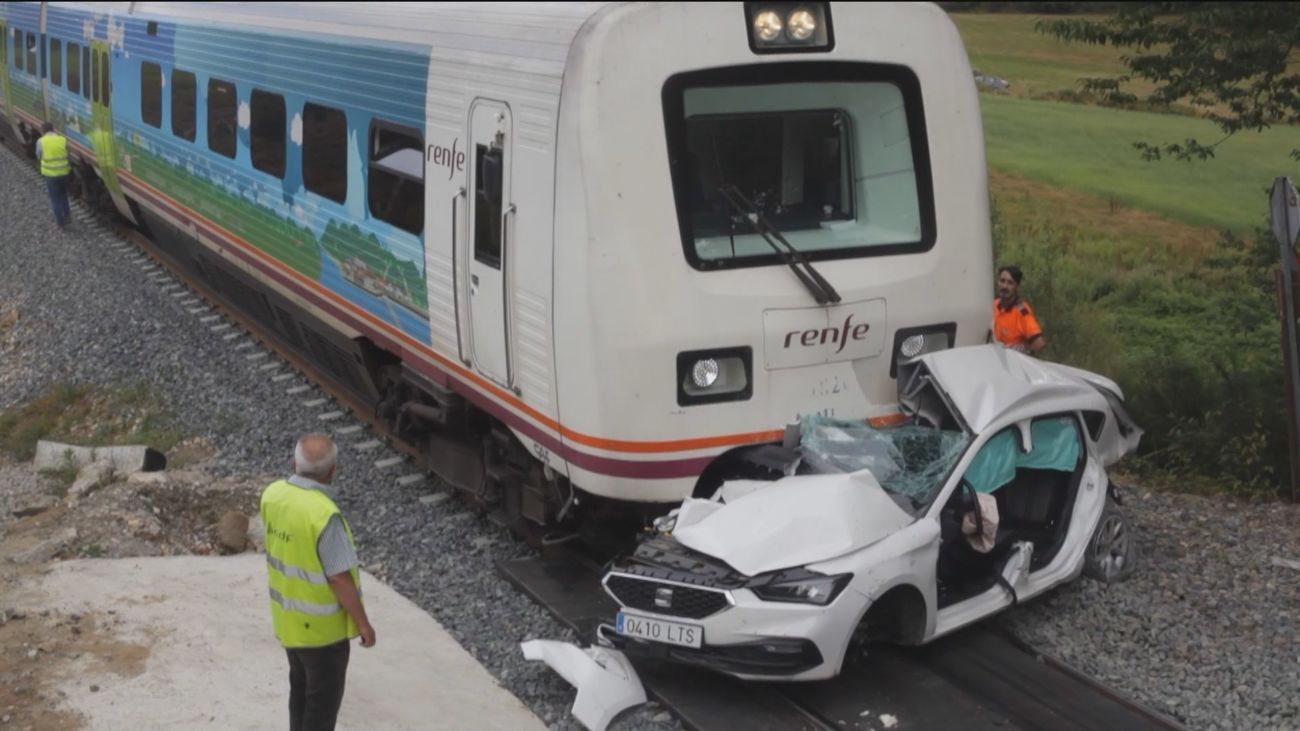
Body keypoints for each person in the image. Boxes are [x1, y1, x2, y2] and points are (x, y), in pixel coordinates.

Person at [260, 434, 375, 731]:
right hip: (323, 636)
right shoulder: (324, 515)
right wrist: (363, 624)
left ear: (292, 463)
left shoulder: (273, 495)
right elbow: (338, 577)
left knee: (299, 694)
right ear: (332, 471)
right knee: (320, 712)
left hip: (289, 623)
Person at [992, 265, 1046, 354]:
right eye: (1002, 281)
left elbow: (1039, 342)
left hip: (1013, 364)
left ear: (1016, 286)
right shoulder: (994, 304)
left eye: (1010, 283)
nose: (1004, 286)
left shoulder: (1021, 310)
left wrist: (1021, 353)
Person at [35, 122, 72, 230]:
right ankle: (68, 215)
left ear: (43, 131)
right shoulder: (62, 139)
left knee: (55, 199)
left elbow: (38, 155)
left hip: (51, 175)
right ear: (53, 129)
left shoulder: (41, 141)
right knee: (64, 194)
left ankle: (60, 223)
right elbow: (68, 154)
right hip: (64, 173)